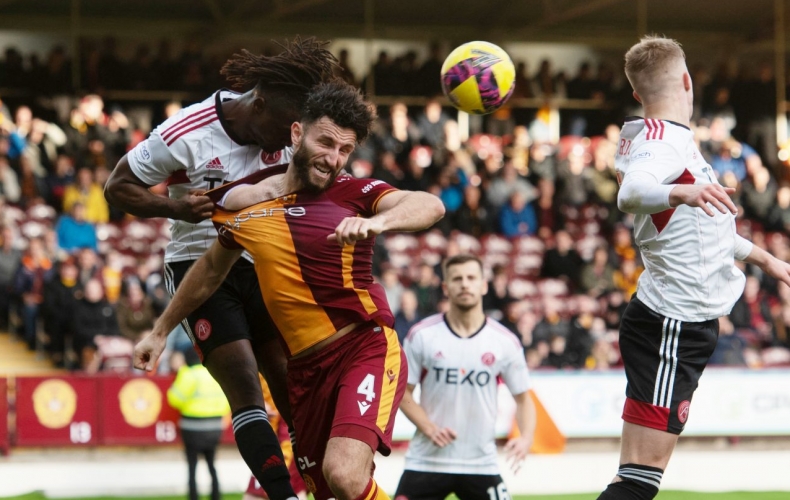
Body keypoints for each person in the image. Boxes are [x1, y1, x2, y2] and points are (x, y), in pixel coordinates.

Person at [133, 80, 445, 500]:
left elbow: (430, 205)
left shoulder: (353, 193)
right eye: (326, 142)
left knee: (345, 475)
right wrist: (160, 330)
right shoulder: (247, 200)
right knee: (330, 491)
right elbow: (208, 270)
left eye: (345, 150)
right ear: (297, 134)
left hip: (363, 348)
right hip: (304, 371)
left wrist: (379, 223)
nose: (334, 159)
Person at [105, 38, 339, 500]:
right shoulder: (186, 132)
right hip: (199, 267)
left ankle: (325, 488)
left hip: (262, 263)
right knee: (246, 387)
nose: (283, 142)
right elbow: (118, 187)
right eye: (280, 127)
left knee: (293, 389)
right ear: (258, 102)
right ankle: (281, 495)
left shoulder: (291, 134)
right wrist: (176, 210)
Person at [603, 35, 790, 500]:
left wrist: (763, 256)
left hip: (673, 321)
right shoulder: (662, 141)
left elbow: (699, 232)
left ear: (636, 94)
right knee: (639, 481)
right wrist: (680, 192)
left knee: (634, 475)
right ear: (687, 81)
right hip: (673, 326)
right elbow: (630, 196)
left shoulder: (662, 140)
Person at [395, 254, 535, 500]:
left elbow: (524, 398)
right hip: (426, 461)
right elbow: (402, 392)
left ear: (483, 285)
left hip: (481, 463)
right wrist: (429, 428)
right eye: (457, 279)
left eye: (471, 278)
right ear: (446, 288)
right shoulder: (422, 335)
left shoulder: (505, 341)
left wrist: (526, 438)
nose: (465, 284)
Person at [167, 347, 231, 500]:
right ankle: (216, 496)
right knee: (212, 464)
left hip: (192, 427)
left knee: (192, 466)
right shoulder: (214, 374)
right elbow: (226, 401)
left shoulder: (188, 374)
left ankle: (193, 497)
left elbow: (174, 399)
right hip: (215, 426)